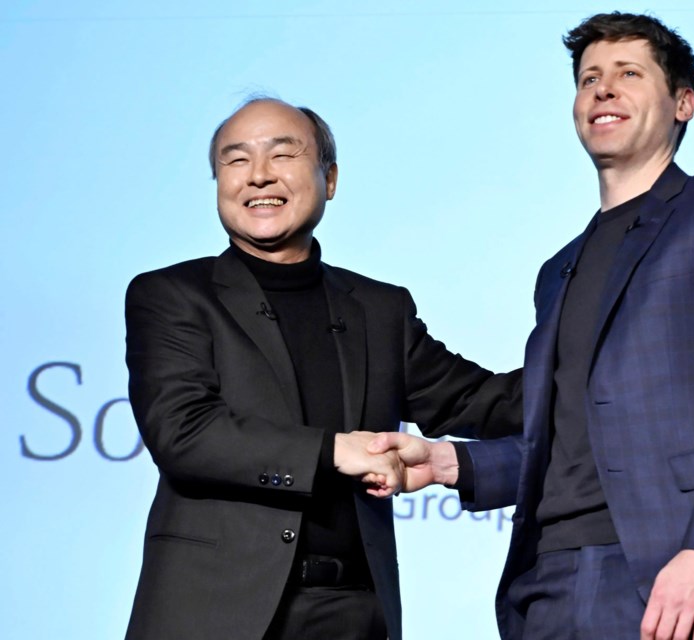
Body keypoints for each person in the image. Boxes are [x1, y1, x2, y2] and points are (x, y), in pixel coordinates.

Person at [370, 11, 694, 640]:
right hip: (545, 578)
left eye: (629, 73)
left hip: (660, 573)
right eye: (589, 77)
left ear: (684, 103)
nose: (603, 89)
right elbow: (570, 436)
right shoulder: (559, 269)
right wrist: (446, 465)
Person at [123, 97, 520, 640]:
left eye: (282, 154)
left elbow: (482, 402)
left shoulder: (380, 309)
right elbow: (184, 432)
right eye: (236, 161)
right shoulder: (172, 295)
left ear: (329, 178)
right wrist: (337, 451)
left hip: (355, 611)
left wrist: (593, 363)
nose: (259, 175)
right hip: (215, 611)